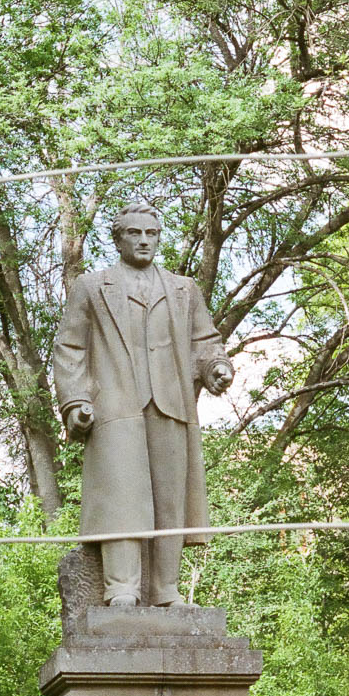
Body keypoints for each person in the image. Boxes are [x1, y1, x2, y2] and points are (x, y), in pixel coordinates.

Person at [53, 199, 234, 607]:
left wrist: (216, 367)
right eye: (134, 233)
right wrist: (76, 401)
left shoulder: (182, 289)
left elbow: (204, 342)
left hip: (171, 405)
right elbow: (69, 348)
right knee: (122, 499)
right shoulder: (93, 286)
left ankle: (165, 591)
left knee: (170, 500)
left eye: (151, 233)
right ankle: (122, 589)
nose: (144, 241)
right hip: (115, 409)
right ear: (118, 240)